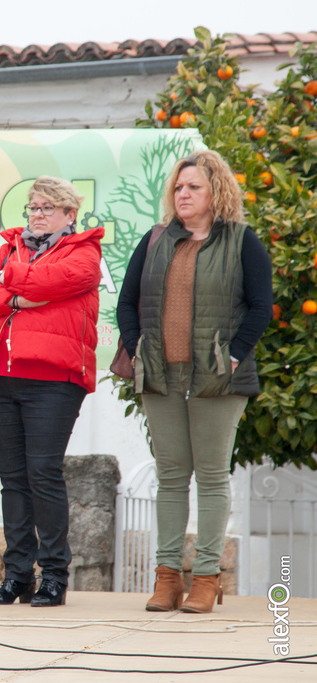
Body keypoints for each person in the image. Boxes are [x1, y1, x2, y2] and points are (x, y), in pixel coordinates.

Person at [117, 150, 272, 614]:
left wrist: (234, 355)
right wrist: (137, 343)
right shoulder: (156, 239)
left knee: (210, 477)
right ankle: (167, 578)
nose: (183, 194)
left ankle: (206, 577)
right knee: (169, 477)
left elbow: (261, 307)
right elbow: (127, 302)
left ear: (216, 192)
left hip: (218, 379)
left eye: (194, 188)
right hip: (161, 376)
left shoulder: (243, 241)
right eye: (179, 188)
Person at [0, 176, 103, 608]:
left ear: (69, 214)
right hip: (1, 376)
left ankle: (54, 576)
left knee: (42, 475)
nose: (37, 215)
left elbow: (52, 282)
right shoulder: (10, 247)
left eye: (46, 208)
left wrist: (12, 280)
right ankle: (18, 575)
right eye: (32, 208)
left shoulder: (85, 252)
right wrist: (18, 299)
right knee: (13, 480)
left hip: (54, 382)